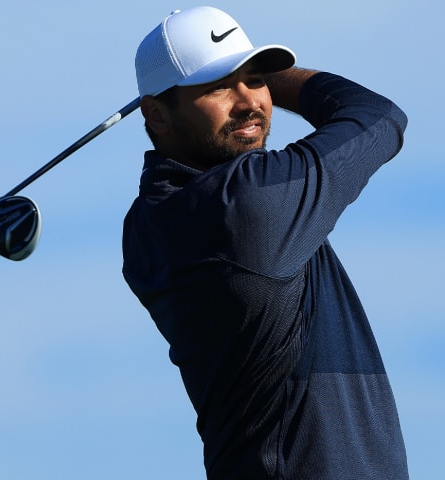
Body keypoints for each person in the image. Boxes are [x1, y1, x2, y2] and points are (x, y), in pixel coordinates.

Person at [122, 6, 409, 479]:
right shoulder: (247, 202)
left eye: (254, 79)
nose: (250, 101)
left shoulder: (146, 224)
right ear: (156, 115)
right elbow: (377, 117)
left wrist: (230, 79)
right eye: (218, 86)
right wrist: (278, 77)